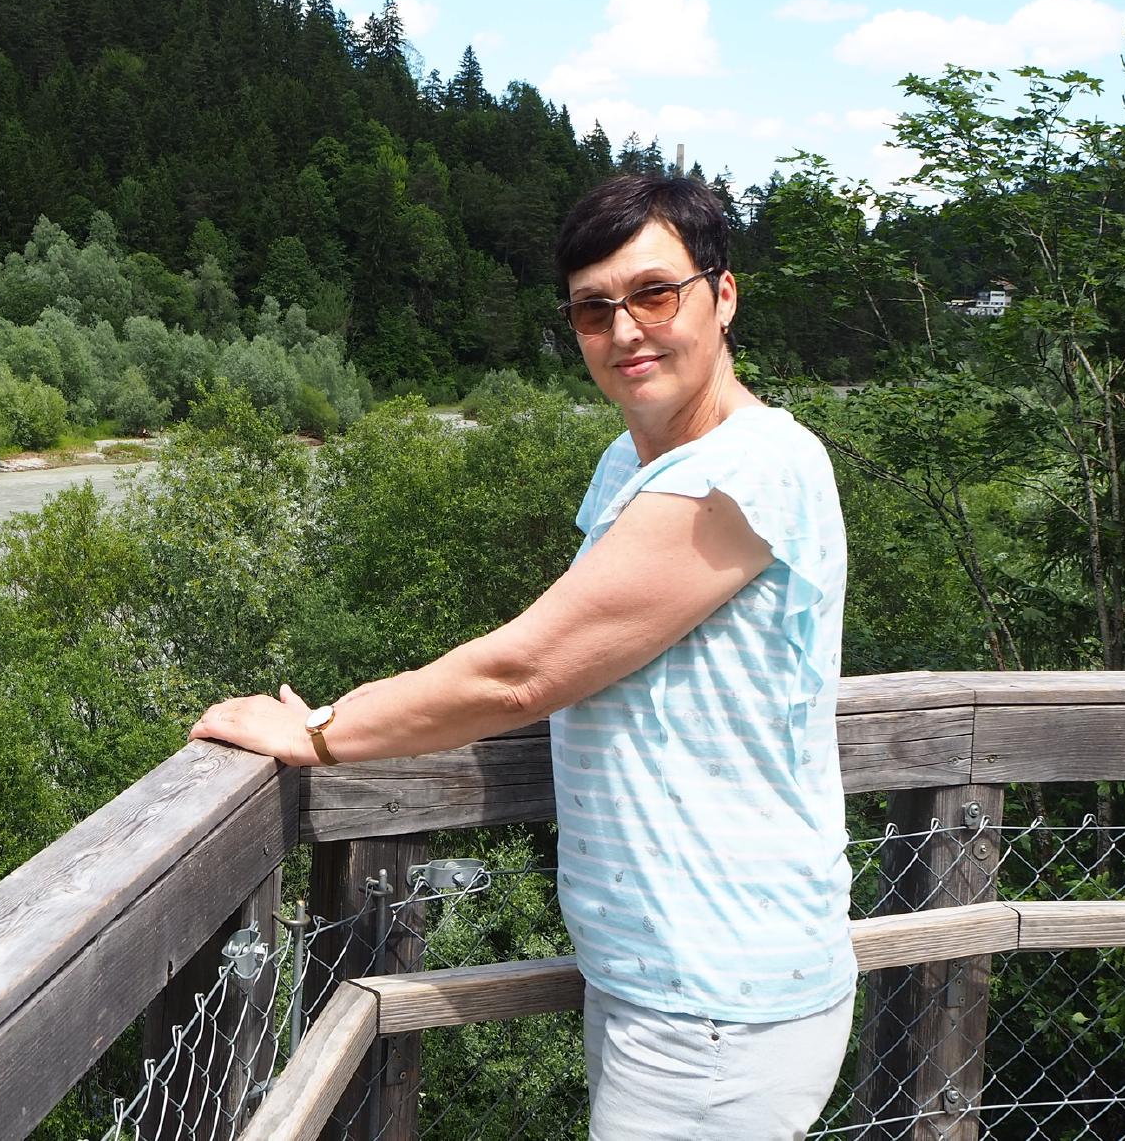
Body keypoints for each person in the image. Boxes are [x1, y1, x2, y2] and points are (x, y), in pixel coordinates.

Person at [191, 174, 855, 1139]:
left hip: (718, 993)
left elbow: (525, 672)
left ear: (723, 296)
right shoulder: (635, 462)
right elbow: (584, 639)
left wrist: (319, 735)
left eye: (654, 294)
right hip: (658, 971)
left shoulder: (749, 469)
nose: (625, 330)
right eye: (594, 309)